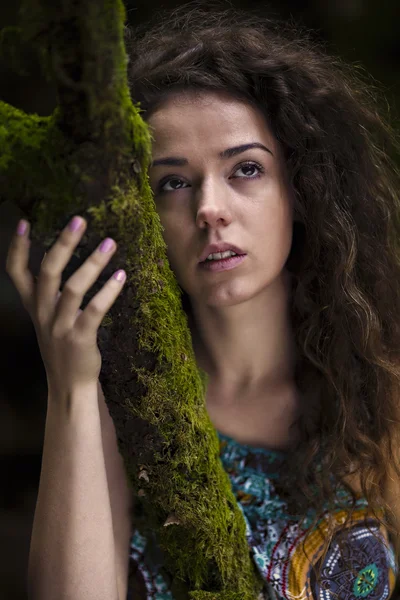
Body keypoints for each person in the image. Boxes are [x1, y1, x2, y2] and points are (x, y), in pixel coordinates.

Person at [5, 2, 400, 600]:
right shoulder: (122, 400)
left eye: (244, 169)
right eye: (174, 182)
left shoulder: (382, 391)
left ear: (300, 188)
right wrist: (74, 390)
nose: (209, 207)